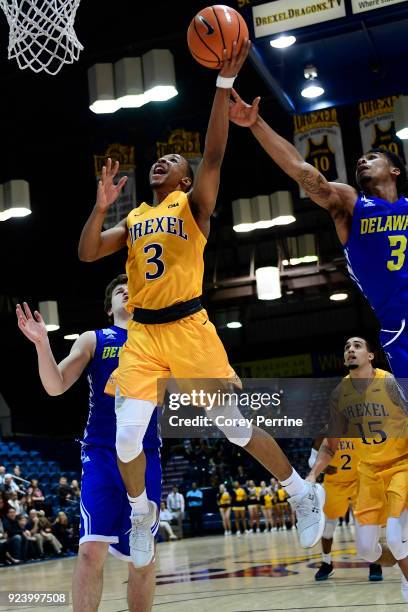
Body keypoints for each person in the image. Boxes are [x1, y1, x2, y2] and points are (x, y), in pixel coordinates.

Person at [78, 40, 325, 567]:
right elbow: (87, 251)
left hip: (189, 327)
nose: (161, 163)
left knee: (234, 427)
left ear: (186, 179)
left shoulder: (194, 206)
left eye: (171, 161)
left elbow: (213, 152)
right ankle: (143, 513)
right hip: (143, 335)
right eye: (159, 160)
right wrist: (100, 210)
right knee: (125, 439)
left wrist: (220, 86)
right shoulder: (135, 219)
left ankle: (302, 491)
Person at [228, 90, 408, 390]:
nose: (362, 161)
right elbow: (300, 169)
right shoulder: (351, 204)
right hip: (399, 323)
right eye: (360, 160)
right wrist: (256, 122)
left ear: (395, 170)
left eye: (372, 158)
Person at [16, 274, 161, 612]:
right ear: (109, 308)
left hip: (145, 454)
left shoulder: (159, 340)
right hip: (101, 454)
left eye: (131, 289)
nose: (126, 292)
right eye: (118, 291)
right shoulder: (95, 339)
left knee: (142, 559)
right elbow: (56, 385)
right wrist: (41, 343)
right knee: (89, 550)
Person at [307, 336, 408, 601]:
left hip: (400, 466)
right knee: (366, 550)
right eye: (346, 348)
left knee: (397, 538)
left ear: (371, 356)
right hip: (368, 474)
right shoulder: (340, 393)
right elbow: (330, 445)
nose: (350, 350)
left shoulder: (389, 382)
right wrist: (312, 474)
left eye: (357, 346)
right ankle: (403, 566)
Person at [310, 437, 382, 582]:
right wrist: (322, 467)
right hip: (334, 483)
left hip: (360, 480)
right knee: (328, 527)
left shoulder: (361, 428)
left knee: (368, 523)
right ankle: (327, 563)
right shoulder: (326, 432)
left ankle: (375, 562)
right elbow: (312, 459)